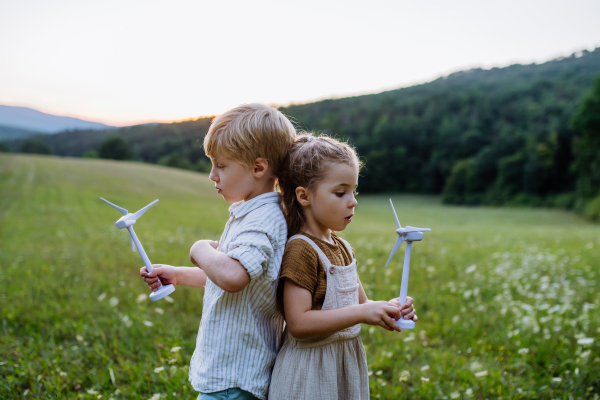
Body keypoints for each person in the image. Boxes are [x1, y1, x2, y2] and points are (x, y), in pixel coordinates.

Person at [140, 104, 296, 400]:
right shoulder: (252, 213)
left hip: (234, 375)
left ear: (258, 168)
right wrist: (177, 275)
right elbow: (234, 277)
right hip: (233, 372)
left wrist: (198, 248)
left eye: (221, 166)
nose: (212, 175)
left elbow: (233, 277)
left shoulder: (262, 219)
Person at [268, 134, 417, 400]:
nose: (353, 201)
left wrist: (390, 308)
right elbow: (298, 323)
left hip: (342, 366)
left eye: (354, 191)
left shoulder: (343, 248)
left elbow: (360, 305)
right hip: (310, 373)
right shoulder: (301, 249)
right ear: (304, 196)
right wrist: (363, 312)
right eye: (340, 192)